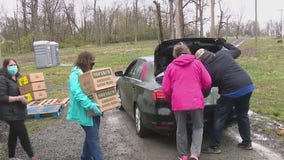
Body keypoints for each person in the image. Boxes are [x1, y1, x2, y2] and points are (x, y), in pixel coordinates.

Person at [195, 38, 254, 154]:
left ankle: (214, 147)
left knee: (219, 118)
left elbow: (206, 91)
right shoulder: (222, 54)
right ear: (209, 52)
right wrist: (223, 43)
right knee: (242, 115)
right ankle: (247, 142)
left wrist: (196, 96)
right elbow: (237, 51)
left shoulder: (206, 70)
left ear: (200, 61)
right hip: (247, 86)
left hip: (231, 92)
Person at [162, 42, 212, 160]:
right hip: (195, 100)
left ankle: (183, 155)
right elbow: (208, 81)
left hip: (178, 101)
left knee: (181, 129)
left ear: (175, 54)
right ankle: (194, 154)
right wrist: (201, 90)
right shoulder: (197, 63)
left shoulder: (170, 67)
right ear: (188, 51)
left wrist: (171, 98)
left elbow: (166, 89)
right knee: (198, 127)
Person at [66, 51, 104, 160]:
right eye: (91, 63)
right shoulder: (75, 75)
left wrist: (112, 99)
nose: (93, 65)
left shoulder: (87, 73)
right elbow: (77, 94)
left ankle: (85, 157)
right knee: (93, 138)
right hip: (85, 112)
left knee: (91, 136)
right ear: (85, 62)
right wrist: (90, 105)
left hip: (95, 111)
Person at [0, 58, 37, 160]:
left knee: (13, 133)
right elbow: (1, 97)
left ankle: (11, 156)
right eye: (10, 65)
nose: (13, 67)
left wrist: (26, 99)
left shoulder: (19, 77)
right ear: (5, 67)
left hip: (19, 111)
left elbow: (25, 92)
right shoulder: (2, 79)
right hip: (9, 113)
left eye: (14, 64)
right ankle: (32, 156)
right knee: (23, 134)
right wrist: (17, 98)